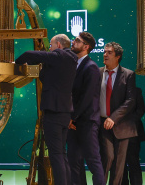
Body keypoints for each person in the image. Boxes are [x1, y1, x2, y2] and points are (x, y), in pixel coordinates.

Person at [15, 34, 77, 185]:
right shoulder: (71, 59)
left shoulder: (60, 55)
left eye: (51, 45)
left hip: (53, 114)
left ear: (59, 45)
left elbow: (29, 54)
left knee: (56, 156)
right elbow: (47, 76)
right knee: (62, 154)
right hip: (64, 113)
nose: (50, 49)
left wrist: (15, 64)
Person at [67, 32, 105, 185]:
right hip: (74, 122)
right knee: (73, 162)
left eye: (77, 40)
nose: (73, 42)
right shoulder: (73, 64)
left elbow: (87, 97)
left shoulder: (91, 67)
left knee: (93, 161)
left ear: (86, 46)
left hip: (87, 122)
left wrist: (72, 117)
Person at [98, 42, 137, 185]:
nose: (105, 54)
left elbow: (131, 100)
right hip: (102, 124)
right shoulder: (97, 72)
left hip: (122, 125)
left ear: (118, 56)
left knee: (119, 165)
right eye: (104, 51)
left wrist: (113, 118)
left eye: (109, 52)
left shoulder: (128, 75)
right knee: (107, 158)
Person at [122, 87, 145, 185]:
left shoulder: (136, 91)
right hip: (116, 133)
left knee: (133, 163)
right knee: (120, 165)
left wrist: (124, 122)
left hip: (133, 134)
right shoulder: (112, 90)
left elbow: (141, 110)